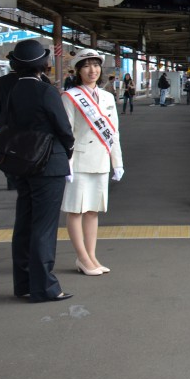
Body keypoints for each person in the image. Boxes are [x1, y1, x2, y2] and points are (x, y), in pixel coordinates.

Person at [3, 39, 75, 302]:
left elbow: (6, 124)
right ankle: (44, 288)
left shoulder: (13, 91)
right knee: (44, 228)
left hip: (22, 164)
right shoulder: (46, 92)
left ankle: (23, 283)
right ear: (43, 65)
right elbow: (64, 130)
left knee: (24, 224)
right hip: (49, 164)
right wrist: (66, 151)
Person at [61, 48, 124, 276]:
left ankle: (92, 256)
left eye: (96, 65)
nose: (93, 70)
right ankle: (82, 257)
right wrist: (66, 163)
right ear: (78, 70)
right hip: (78, 161)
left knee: (93, 210)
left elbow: (113, 132)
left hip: (100, 160)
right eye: (86, 66)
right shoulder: (69, 97)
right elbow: (66, 132)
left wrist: (117, 162)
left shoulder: (107, 97)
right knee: (76, 210)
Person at [0, 52, 23, 190]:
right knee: (24, 152)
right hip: (25, 124)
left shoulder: (0, 81)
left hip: (4, 124)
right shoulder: (31, 81)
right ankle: (23, 177)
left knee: (7, 152)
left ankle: (11, 180)